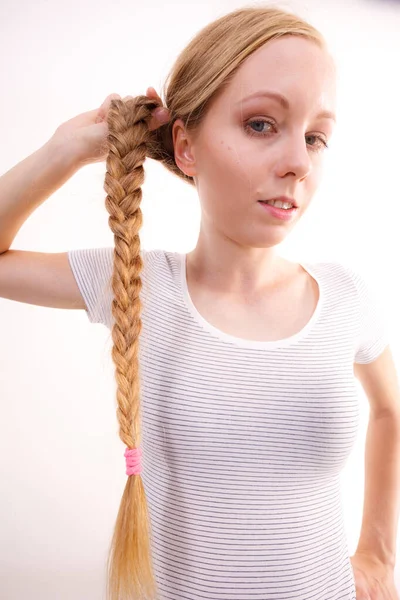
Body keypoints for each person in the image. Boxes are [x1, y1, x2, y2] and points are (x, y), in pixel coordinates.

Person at [0, 5, 393, 600]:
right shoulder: (138, 283)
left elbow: (391, 412)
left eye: (315, 136)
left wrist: (379, 556)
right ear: (186, 146)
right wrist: (69, 150)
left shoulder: (345, 297)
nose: (298, 163)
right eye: (261, 124)